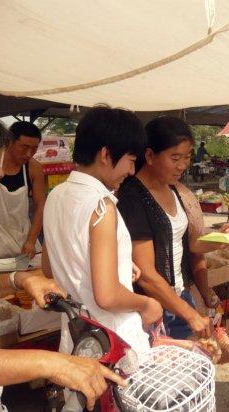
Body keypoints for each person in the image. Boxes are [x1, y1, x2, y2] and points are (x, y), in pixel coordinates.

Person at [0, 120, 126, 412]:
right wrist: (54, 364)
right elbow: (105, 294)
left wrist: (18, 279)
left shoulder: (51, 189)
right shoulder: (102, 205)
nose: (0, 173)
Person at [43, 106, 163, 357]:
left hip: (76, 340)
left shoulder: (56, 196)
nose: (132, 171)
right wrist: (147, 303)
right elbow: (107, 296)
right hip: (114, 343)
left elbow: (49, 267)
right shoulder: (102, 206)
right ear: (106, 154)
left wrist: (118, 263)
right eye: (131, 160)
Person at [118, 116, 229, 339]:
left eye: (187, 157)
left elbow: (190, 243)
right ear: (149, 155)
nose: (183, 165)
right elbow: (146, 275)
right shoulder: (133, 198)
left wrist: (222, 239)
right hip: (152, 307)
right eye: (175, 157)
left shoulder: (172, 188)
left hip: (180, 297)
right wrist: (190, 314)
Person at [0, 121, 45, 261]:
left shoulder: (34, 168)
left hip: (24, 242)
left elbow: (40, 206)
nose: (29, 154)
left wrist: (31, 241)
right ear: (10, 142)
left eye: (34, 149)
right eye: (24, 147)